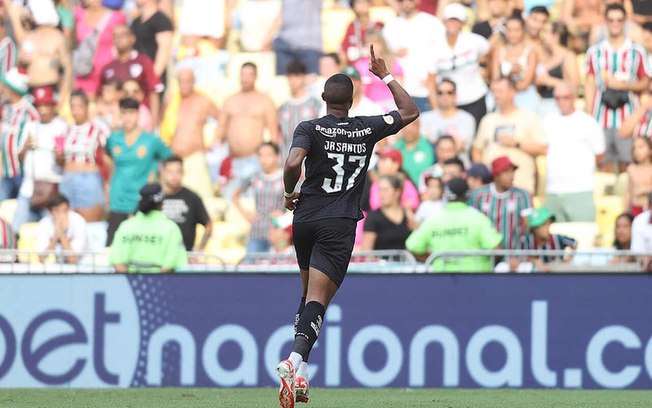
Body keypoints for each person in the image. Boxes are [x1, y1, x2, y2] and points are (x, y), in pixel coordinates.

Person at [276, 44, 418, 407]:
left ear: (324, 98)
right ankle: (293, 361)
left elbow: (293, 163)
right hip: (338, 223)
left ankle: (302, 373)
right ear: (351, 101)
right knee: (319, 302)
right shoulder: (366, 127)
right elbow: (410, 111)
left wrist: (289, 192)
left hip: (305, 218)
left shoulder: (309, 127)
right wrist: (383, 74)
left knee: (308, 294)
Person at [585, 3, 651, 173]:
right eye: (611, 20)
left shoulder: (637, 52)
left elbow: (645, 82)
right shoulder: (594, 52)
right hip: (601, 118)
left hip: (628, 118)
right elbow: (590, 85)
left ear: (625, 21)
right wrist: (589, 115)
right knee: (603, 166)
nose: (615, 24)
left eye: (619, 20)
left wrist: (624, 85)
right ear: (605, 21)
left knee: (628, 166)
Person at [104, 98, 171, 245]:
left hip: (143, 200)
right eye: (124, 113)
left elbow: (170, 159)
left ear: (138, 114)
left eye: (132, 113)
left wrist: (161, 182)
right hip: (118, 199)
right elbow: (106, 156)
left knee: (142, 244)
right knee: (113, 244)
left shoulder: (151, 140)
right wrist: (108, 183)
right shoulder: (113, 139)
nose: (128, 118)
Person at [406, 177, 503, 272]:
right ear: (467, 195)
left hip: (442, 278)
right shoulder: (478, 219)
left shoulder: (433, 220)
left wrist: (431, 260)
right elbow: (497, 248)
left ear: (445, 195)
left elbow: (412, 247)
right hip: (475, 278)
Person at [472, 77, 547, 194]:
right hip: (493, 190)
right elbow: (477, 149)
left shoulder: (529, 117)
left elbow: (543, 149)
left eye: (500, 91)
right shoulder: (488, 119)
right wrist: (482, 173)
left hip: (522, 186)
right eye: (494, 91)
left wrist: (516, 144)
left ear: (512, 93)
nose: (496, 95)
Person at [215, 62, 279, 198]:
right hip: (233, 160)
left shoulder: (265, 101)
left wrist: (271, 159)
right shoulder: (230, 100)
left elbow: (274, 133)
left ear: (256, 77)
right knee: (230, 199)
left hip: (255, 160)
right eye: (243, 74)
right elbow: (220, 129)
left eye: (249, 75)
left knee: (253, 199)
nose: (245, 78)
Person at [544, 82, 605, 222]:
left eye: (565, 97)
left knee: (583, 237)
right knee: (555, 240)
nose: (561, 102)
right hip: (553, 189)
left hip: (580, 188)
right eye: (557, 98)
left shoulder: (588, 122)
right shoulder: (548, 120)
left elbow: (600, 154)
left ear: (574, 97)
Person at [160, 68, 220, 200]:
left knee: (200, 199)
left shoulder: (203, 101)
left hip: (195, 157)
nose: (184, 84)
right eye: (181, 81)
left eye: (187, 81)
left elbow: (222, 119)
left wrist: (213, 143)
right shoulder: (171, 100)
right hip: (174, 159)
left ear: (194, 81)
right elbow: (162, 124)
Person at [427, 3, 490, 126]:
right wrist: (436, 109)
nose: (453, 24)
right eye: (450, 20)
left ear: (463, 23)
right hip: (448, 101)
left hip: (475, 97)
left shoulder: (474, 40)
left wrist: (486, 70)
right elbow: (431, 81)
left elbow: (490, 52)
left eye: (457, 21)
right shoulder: (435, 47)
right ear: (445, 22)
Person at [15, 85, 67, 232]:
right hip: (28, 187)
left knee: (50, 231)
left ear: (53, 106)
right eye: (39, 105)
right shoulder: (30, 126)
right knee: (17, 229)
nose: (43, 109)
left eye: (46, 105)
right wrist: (25, 147)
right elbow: (20, 159)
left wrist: (58, 154)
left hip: (51, 189)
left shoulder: (61, 127)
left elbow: (62, 161)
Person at [382, 0, 445, 112]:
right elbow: (383, 56)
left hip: (426, 91)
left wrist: (435, 78)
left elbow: (444, 53)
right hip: (399, 92)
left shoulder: (433, 23)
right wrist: (393, 53)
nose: (406, 3)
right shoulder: (389, 27)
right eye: (401, 0)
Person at [110, 183, 187, 272]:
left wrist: (132, 283)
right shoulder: (171, 229)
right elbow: (169, 265)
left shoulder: (126, 226)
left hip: (129, 283)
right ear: (162, 203)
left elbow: (117, 262)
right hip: (160, 284)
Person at [59, 89, 110, 223]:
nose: (75, 111)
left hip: (88, 178)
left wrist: (107, 185)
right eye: (72, 106)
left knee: (89, 224)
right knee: (67, 223)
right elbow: (61, 160)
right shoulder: (66, 129)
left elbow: (107, 159)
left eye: (79, 106)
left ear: (87, 107)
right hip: (67, 178)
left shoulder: (99, 128)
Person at [98, 25, 162, 124]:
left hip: (140, 120)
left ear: (132, 38)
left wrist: (154, 125)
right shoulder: (107, 68)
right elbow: (100, 97)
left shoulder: (144, 62)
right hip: (114, 122)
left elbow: (153, 93)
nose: (119, 39)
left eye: (122, 35)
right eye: (116, 36)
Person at [9, 0, 72, 99]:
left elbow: (68, 69)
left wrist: (63, 96)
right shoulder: (29, 37)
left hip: (51, 90)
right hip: (31, 91)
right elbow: (19, 67)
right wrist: (21, 61)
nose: (28, 15)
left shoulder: (57, 37)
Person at [468, 156, 533, 250]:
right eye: (506, 172)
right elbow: (473, 223)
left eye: (512, 171)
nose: (512, 175)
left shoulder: (522, 195)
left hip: (514, 256)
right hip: (486, 254)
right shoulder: (479, 195)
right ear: (496, 175)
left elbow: (528, 227)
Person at [232, 142, 284, 253]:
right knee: (250, 265)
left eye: (268, 155)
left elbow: (298, 199)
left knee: (279, 264)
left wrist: (285, 213)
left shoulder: (285, 177)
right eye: (260, 155)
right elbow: (235, 196)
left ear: (276, 156)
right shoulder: (254, 177)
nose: (263, 159)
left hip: (278, 232)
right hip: (257, 231)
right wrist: (245, 213)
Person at [73, 0, 127, 98]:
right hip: (84, 72)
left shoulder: (116, 17)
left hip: (107, 73)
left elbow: (124, 43)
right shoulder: (77, 14)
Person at [0, 68, 40, 202]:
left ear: (12, 89)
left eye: (5, 86)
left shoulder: (30, 112)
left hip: (23, 175)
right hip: (6, 174)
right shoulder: (5, 109)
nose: (2, 88)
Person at [160, 156, 212, 252]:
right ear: (162, 172)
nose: (174, 176)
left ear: (183, 173)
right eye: (170, 171)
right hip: (158, 254)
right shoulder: (154, 196)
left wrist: (199, 250)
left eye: (178, 171)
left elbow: (208, 225)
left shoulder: (192, 197)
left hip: (184, 256)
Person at [491, 12, 540, 113]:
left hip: (525, 98)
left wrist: (507, 86)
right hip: (503, 98)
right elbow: (495, 79)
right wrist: (510, 73)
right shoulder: (499, 51)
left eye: (516, 30)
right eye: (509, 30)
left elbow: (526, 83)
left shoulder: (530, 52)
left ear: (523, 31)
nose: (512, 34)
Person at [420, 79, 476, 165]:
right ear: (436, 95)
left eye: (449, 92)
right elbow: (423, 146)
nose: (444, 96)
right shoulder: (425, 118)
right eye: (440, 93)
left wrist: (434, 143)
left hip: (459, 166)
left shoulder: (466, 119)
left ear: (455, 95)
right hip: (432, 166)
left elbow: (459, 148)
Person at [511, 207, 577, 272]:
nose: (547, 228)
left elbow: (574, 243)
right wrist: (534, 261)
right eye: (543, 225)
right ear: (535, 229)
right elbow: (518, 258)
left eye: (548, 224)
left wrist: (568, 260)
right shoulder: (527, 240)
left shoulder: (557, 238)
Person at [535, 21, 581, 117]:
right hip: (543, 104)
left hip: (559, 106)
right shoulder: (547, 58)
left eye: (546, 32)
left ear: (556, 35)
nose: (543, 35)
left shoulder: (568, 56)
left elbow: (575, 84)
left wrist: (549, 81)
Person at [278, 61, 322, 158]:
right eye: (290, 76)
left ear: (304, 77)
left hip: (309, 162)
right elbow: (280, 136)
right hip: (287, 161)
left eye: (296, 75)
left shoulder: (316, 105)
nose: (292, 80)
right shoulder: (283, 107)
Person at [268, 0, 323, 75]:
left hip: (309, 45)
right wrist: (268, 38)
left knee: (312, 83)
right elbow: (283, 12)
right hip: (284, 43)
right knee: (283, 83)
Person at [360, 175, 414, 250]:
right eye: (380, 190)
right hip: (381, 261)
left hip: (406, 261)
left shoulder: (408, 215)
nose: (381, 194)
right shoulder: (373, 217)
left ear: (397, 192)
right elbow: (367, 250)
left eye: (385, 190)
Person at [36, 194, 86, 264]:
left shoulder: (78, 221)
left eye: (65, 211)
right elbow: (41, 259)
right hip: (59, 266)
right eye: (57, 211)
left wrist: (62, 234)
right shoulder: (45, 223)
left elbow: (73, 260)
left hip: (83, 266)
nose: (62, 215)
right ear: (50, 212)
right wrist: (56, 236)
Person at [130, 0, 173, 81]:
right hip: (136, 76)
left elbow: (164, 51)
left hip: (152, 79)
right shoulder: (135, 22)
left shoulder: (162, 21)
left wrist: (152, 79)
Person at [392, 119, 434, 187]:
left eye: (411, 126)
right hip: (401, 193)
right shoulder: (394, 149)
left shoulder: (430, 146)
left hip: (425, 192)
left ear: (418, 126)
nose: (407, 130)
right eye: (404, 127)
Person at [342, 0, 384, 65]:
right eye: (359, 2)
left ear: (369, 4)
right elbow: (344, 50)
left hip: (376, 67)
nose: (362, 5)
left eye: (364, 2)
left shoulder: (378, 25)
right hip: (355, 68)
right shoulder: (351, 26)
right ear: (353, 7)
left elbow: (385, 49)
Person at [625, 137, 652, 216]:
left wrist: (645, 190)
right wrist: (625, 211)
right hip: (635, 209)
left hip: (649, 210)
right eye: (634, 148)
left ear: (650, 150)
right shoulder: (631, 168)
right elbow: (628, 192)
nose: (637, 151)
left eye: (641, 147)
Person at [631, 192, 652, 271]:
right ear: (649, 205)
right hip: (646, 272)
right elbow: (637, 251)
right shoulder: (639, 221)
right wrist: (647, 262)